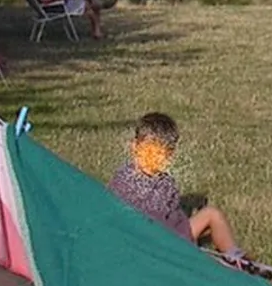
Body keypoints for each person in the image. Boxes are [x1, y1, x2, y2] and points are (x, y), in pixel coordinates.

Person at [107, 112, 258, 270]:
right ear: (135, 147)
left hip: (177, 234)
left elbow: (175, 214)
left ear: (169, 156)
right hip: (153, 244)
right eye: (148, 152)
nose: (153, 160)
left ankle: (234, 256)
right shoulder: (124, 181)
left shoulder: (166, 181)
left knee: (212, 214)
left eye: (161, 155)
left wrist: (183, 235)